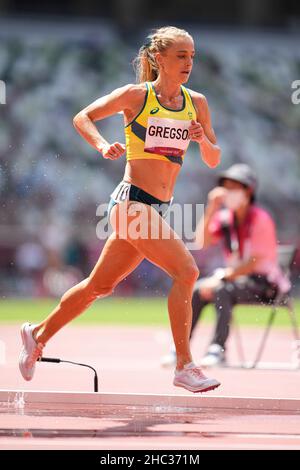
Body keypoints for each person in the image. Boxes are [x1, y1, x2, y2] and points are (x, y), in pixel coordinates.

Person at [19, 26, 222, 393]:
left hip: (156, 209)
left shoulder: (198, 103)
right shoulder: (135, 96)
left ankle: (37, 334)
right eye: (181, 55)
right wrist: (101, 146)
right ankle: (185, 365)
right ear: (158, 58)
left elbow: (212, 158)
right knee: (187, 271)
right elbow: (83, 116)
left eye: (192, 56)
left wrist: (201, 138)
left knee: (99, 286)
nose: (189, 62)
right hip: (130, 204)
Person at [161, 163, 290, 367]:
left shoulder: (260, 219)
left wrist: (221, 277)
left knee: (222, 289)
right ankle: (180, 349)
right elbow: (200, 242)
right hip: (235, 279)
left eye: (234, 187)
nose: (228, 192)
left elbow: (253, 262)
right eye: (226, 186)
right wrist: (211, 207)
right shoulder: (224, 219)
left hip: (266, 285)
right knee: (196, 290)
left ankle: (217, 349)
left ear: (248, 191)